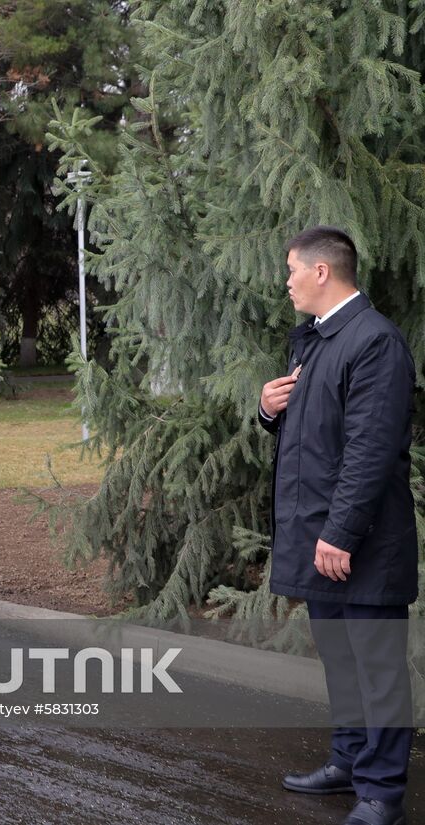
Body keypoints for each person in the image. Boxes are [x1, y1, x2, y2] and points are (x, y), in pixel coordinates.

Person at [258, 226, 417, 825]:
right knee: (340, 660)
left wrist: (341, 533)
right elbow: (314, 437)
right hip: (321, 539)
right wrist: (268, 410)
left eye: (293, 268)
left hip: (361, 544)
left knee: (376, 666)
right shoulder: (317, 341)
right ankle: (349, 761)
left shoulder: (374, 341)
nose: (288, 280)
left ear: (323, 271)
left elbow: (370, 450)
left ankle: (381, 793)